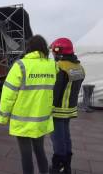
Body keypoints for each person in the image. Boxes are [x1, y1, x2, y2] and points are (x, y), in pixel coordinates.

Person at [0, 35, 57, 174]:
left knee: (26, 154)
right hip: (41, 119)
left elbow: (8, 94)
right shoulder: (52, 66)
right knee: (40, 150)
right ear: (44, 48)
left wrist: (3, 117)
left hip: (22, 119)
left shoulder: (20, 65)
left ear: (28, 48)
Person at [49, 38, 85, 174]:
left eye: (54, 51)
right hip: (69, 109)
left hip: (58, 110)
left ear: (59, 51)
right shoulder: (79, 67)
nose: (53, 53)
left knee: (58, 139)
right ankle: (67, 165)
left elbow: (55, 92)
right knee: (66, 136)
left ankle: (59, 167)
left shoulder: (59, 67)